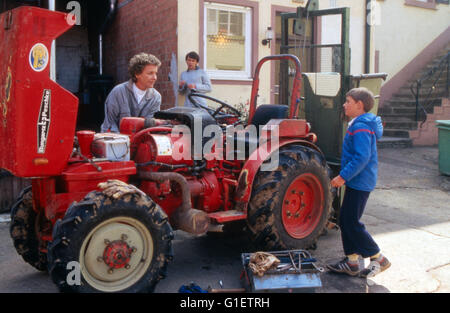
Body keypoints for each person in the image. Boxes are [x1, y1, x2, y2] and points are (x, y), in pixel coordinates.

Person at [327, 87, 391, 278]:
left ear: (359, 105)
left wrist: (342, 176)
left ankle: (379, 258)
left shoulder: (361, 126)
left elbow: (362, 157)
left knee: (351, 222)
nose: (344, 105)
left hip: (359, 181)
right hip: (358, 181)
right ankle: (352, 261)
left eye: (348, 101)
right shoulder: (359, 123)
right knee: (346, 220)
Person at [100, 52, 165, 133]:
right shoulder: (118, 92)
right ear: (137, 74)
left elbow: (150, 127)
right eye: (150, 73)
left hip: (141, 141)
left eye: (155, 73)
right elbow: (109, 124)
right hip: (116, 140)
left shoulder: (156, 97)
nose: (155, 78)